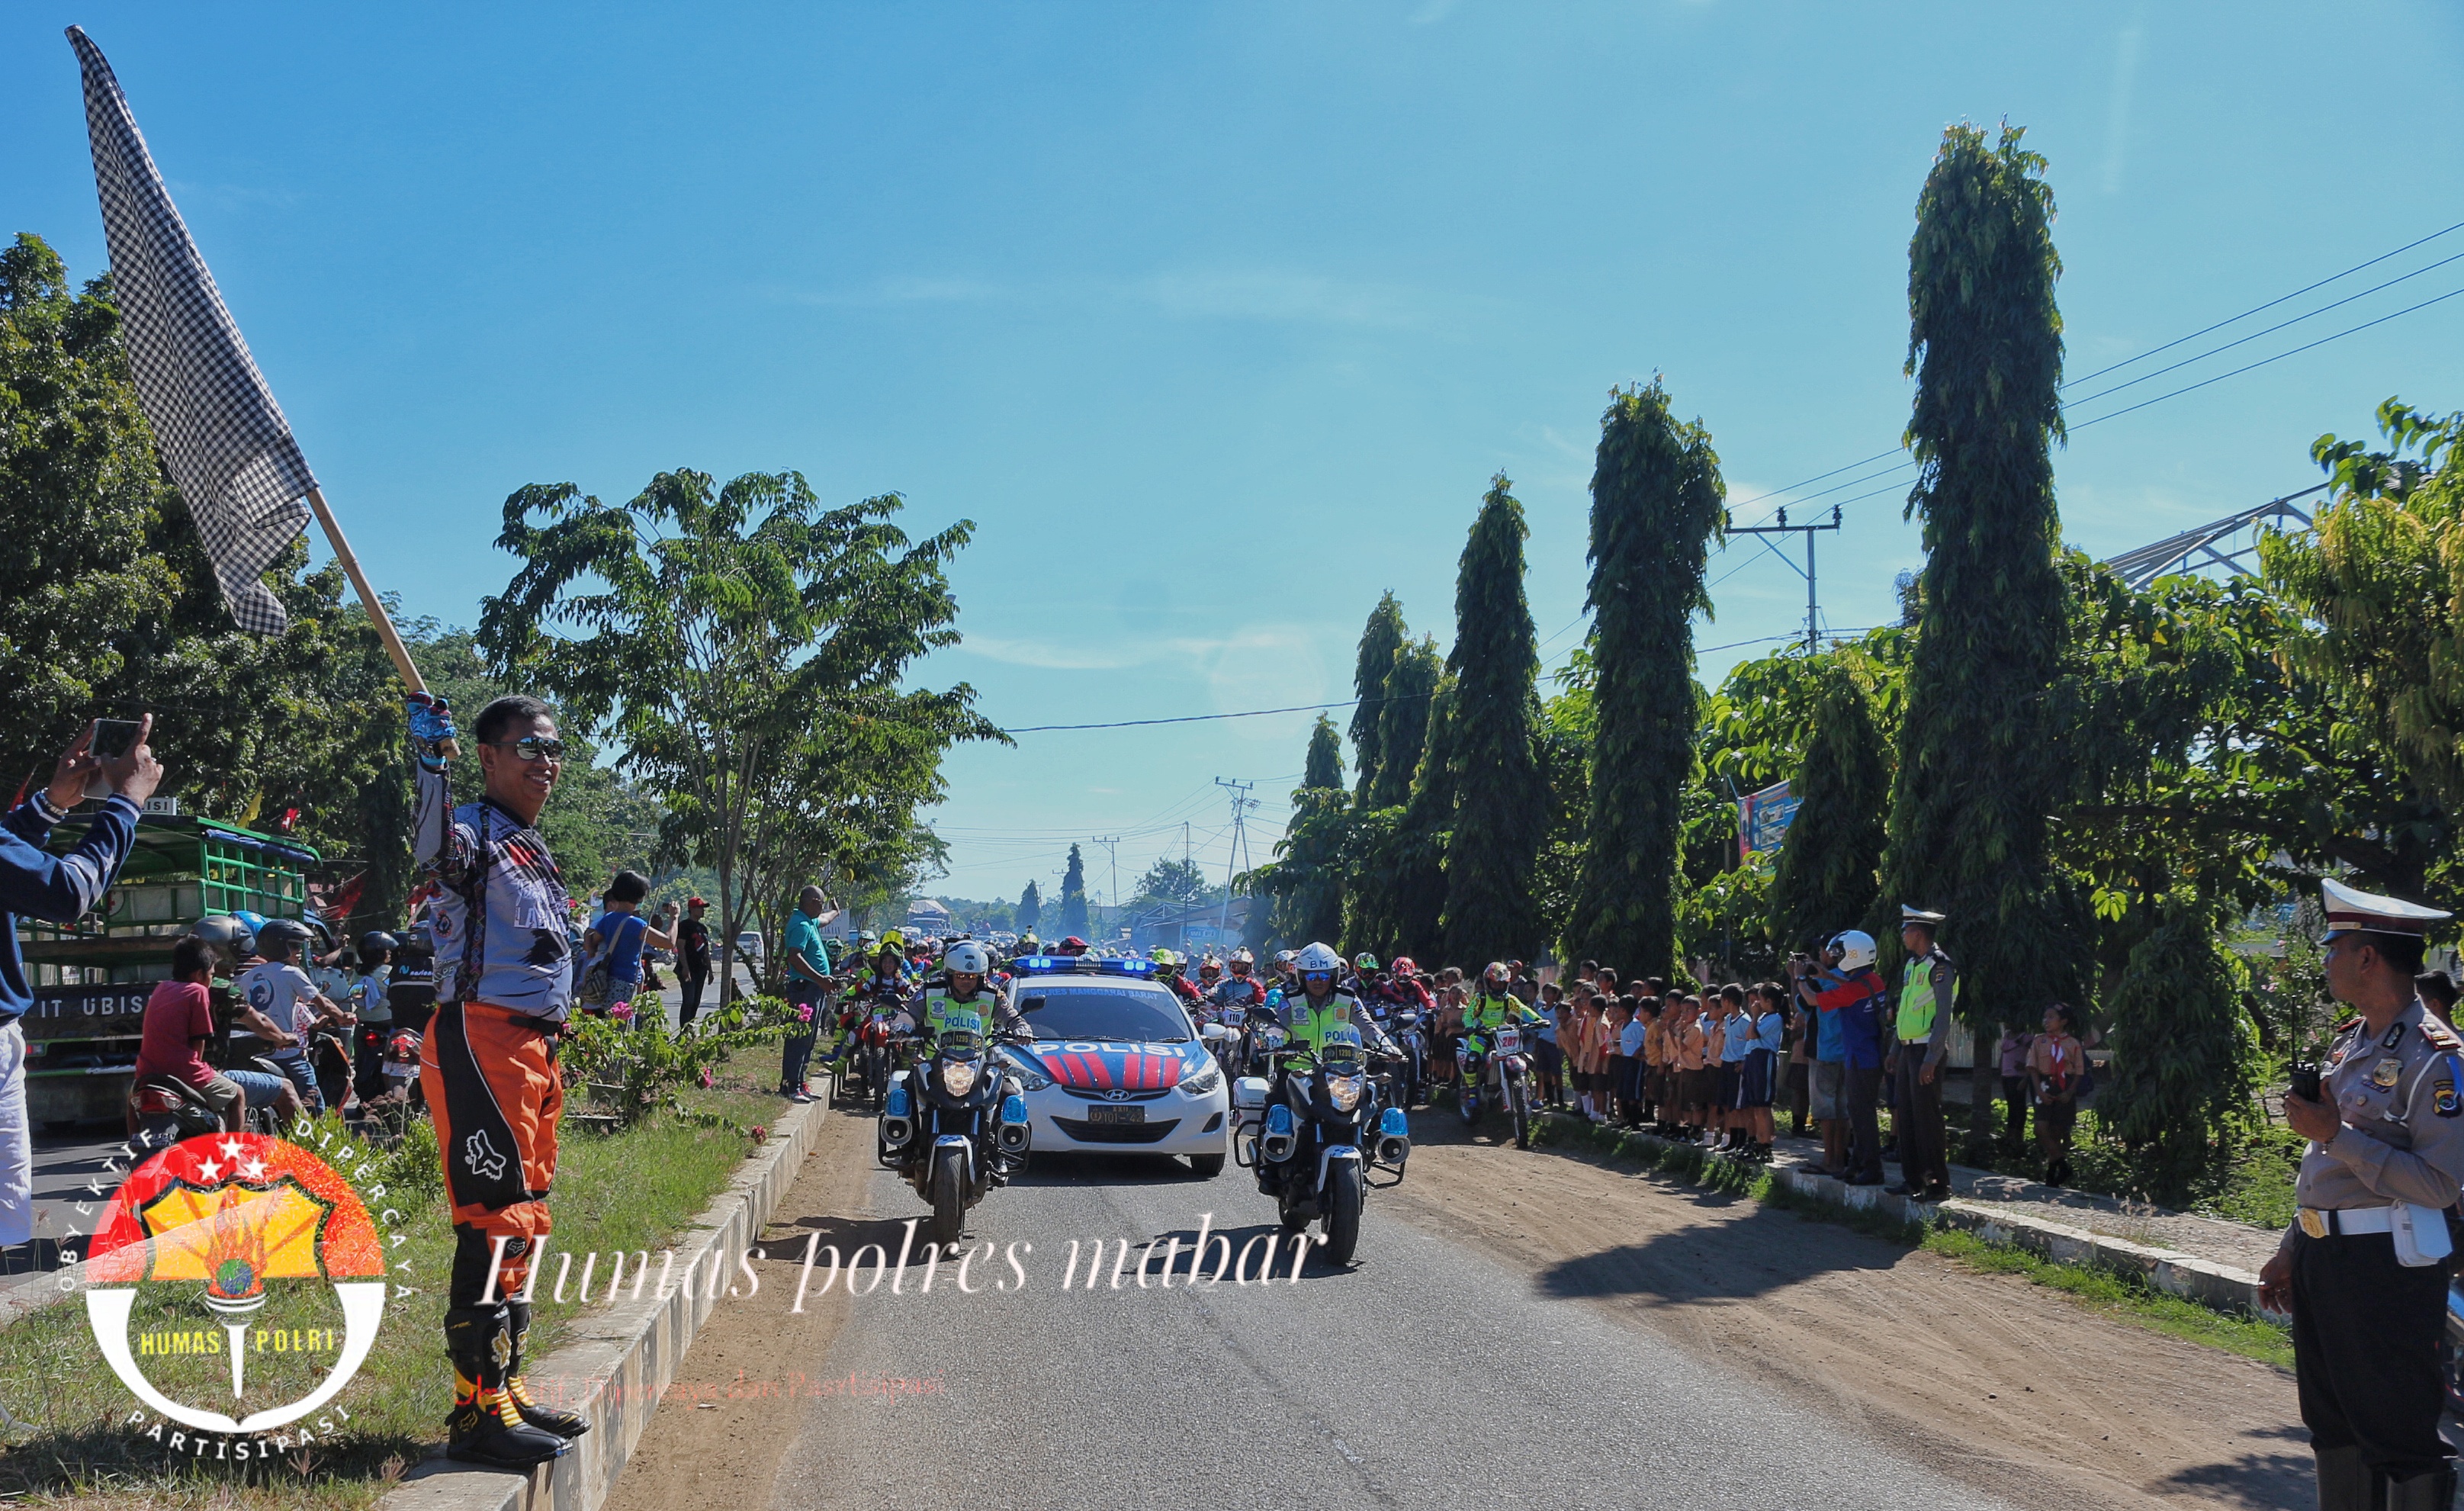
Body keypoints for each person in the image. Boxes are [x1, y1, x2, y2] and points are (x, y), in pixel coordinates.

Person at [410, 691, 588, 1468]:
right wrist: (428, 764)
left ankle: (501, 1390)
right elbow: (430, 853)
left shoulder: (531, 845)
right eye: (528, 748)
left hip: (534, 1052)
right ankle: (470, 1416)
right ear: (488, 757)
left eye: (553, 750)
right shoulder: (472, 834)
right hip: (480, 1039)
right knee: (490, 1223)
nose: (546, 762)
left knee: (524, 1220)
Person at [2254, 879, 2464, 1511]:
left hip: (2387, 1267)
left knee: (2398, 1435)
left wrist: (2337, 1133)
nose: (2324, 960)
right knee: (2334, 1428)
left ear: (2367, 957)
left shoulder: (2437, 1060)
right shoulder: (2351, 1042)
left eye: (2332, 947)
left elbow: (2441, 1183)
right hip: (2327, 1259)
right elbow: (2324, 1162)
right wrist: (2295, 1244)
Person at [134, 936, 297, 1133]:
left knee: (132, 1102)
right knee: (240, 1093)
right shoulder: (208, 991)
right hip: (188, 1072)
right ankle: (232, 1155)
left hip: (147, 1072)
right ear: (199, 973)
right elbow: (200, 1039)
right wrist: (283, 1038)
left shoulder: (162, 988)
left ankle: (135, 1148)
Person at [1800, 931, 1887, 1185]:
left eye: (1840, 953)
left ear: (1853, 955)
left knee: (1863, 1118)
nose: (1835, 957)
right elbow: (1853, 990)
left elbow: (1811, 999)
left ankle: (1872, 1169)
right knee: (1859, 1114)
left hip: (1860, 1059)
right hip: (1869, 1057)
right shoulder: (1872, 980)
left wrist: (1798, 977)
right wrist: (1828, 976)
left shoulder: (1854, 989)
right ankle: (1857, 1164)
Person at [239, 918, 351, 1115]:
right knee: (313, 1098)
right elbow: (321, 1003)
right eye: (295, 946)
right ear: (279, 946)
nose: (300, 951)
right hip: (285, 1053)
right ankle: (320, 1134)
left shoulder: (247, 977)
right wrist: (343, 1017)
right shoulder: (292, 973)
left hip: (252, 1052)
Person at [1887, 905, 1956, 1200]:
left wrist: (1932, 1057)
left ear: (1918, 932)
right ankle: (1913, 1179)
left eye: (1905, 930)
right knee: (1906, 1116)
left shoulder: (1940, 965)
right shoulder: (1912, 964)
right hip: (1907, 1050)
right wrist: (1894, 1048)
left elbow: (1943, 1017)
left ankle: (1939, 1183)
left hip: (1926, 1051)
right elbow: (1905, 1009)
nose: (1902, 935)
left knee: (1927, 1118)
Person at [779, 885, 834, 1102]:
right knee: (799, 1038)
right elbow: (794, 957)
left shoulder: (809, 921)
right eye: (820, 903)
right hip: (804, 988)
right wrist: (820, 979)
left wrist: (836, 911)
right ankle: (790, 1085)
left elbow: (826, 919)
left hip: (814, 988)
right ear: (811, 901)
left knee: (809, 1038)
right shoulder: (801, 925)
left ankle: (799, 1083)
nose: (822, 908)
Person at [2027, 1002, 2084, 1185]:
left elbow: (2078, 1071)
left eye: (2051, 1017)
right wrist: (2038, 1092)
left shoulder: (2073, 1043)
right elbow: (2033, 1069)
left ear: (2064, 1021)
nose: (2046, 1021)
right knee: (2040, 1128)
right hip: (2044, 1085)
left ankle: (2052, 1176)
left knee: (2057, 1131)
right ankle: (2064, 1165)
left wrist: (2069, 1092)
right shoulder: (2039, 1041)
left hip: (2064, 1086)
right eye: (2045, 1017)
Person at [350, 931, 397, 1105]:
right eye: (388, 951)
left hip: (365, 1024)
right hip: (388, 1023)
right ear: (381, 954)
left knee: (360, 1061)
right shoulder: (391, 972)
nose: (391, 955)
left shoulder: (359, 973)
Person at [673, 899, 714, 1029]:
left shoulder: (703, 928)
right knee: (688, 1001)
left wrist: (710, 970)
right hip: (688, 969)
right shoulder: (684, 926)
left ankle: (690, 1028)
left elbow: (706, 950)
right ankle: (684, 1030)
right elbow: (680, 947)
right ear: (692, 909)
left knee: (696, 1002)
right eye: (700, 908)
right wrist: (685, 967)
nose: (702, 911)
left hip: (700, 969)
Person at [1999, 1018, 2036, 1154]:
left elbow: (2033, 1056)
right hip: (2006, 1075)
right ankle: (2010, 1134)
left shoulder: (2026, 1038)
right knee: (2010, 1105)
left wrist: (2026, 1074)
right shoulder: (2007, 1035)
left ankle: (2018, 1134)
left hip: (2019, 1076)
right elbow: (2003, 1055)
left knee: (2019, 1105)